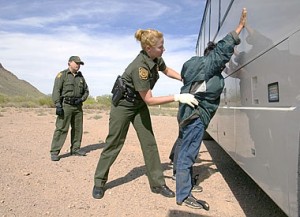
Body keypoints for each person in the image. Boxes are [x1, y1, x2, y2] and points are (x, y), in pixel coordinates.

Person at [92, 28, 198, 199]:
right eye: (160, 47)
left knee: (149, 143)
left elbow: (166, 70)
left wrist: (183, 79)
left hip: (139, 105)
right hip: (124, 106)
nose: (164, 49)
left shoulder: (155, 59)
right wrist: (178, 97)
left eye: (163, 46)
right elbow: (149, 99)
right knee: (114, 142)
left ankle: (158, 184)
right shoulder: (140, 67)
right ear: (149, 48)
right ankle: (99, 182)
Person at [175, 8, 247, 209]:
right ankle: (183, 195)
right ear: (213, 56)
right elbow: (223, 49)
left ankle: (184, 182)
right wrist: (239, 26)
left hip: (186, 113)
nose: (225, 63)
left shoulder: (192, 64)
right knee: (188, 153)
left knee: (183, 148)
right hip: (196, 116)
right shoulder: (209, 65)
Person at [50, 56, 89, 161]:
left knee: (77, 129)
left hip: (78, 106)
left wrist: (81, 99)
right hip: (65, 106)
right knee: (61, 128)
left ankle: (75, 149)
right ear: (69, 63)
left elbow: (86, 91)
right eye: (76, 63)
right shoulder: (62, 75)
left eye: (79, 63)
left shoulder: (81, 77)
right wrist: (58, 104)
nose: (78, 65)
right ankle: (54, 151)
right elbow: (56, 90)